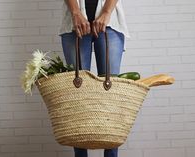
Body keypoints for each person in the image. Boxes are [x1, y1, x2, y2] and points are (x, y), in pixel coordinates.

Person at [59, 0, 130, 157]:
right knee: (78, 96)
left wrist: (106, 12)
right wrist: (76, 13)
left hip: (110, 22)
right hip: (74, 22)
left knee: (110, 96)